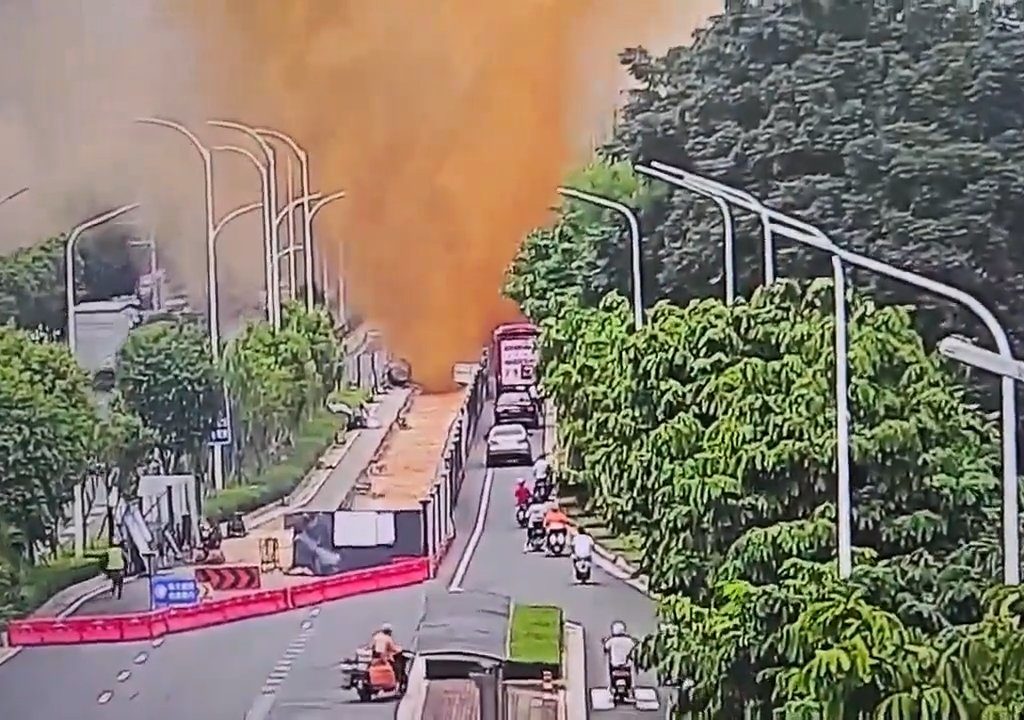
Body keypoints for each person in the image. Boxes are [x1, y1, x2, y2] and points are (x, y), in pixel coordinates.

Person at [603, 620, 637, 689]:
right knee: (632, 667)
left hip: (614, 666)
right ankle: (632, 687)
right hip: (626, 666)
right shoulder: (629, 641)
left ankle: (610, 687)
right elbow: (635, 647)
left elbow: (605, 648)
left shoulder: (611, 641)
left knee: (608, 668)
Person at [370, 622, 405, 687]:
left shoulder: (376, 636)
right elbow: (394, 649)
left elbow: (371, 646)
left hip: (375, 658)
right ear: (389, 631)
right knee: (397, 666)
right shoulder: (388, 638)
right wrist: (400, 649)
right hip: (384, 658)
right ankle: (397, 681)